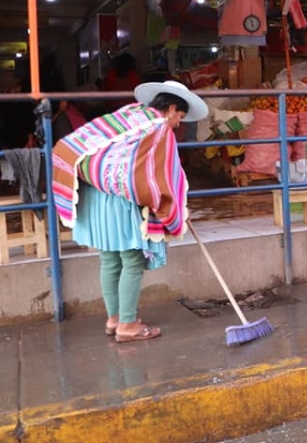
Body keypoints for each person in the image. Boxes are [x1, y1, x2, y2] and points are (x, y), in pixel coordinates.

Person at [52, 81, 208, 343]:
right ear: (171, 108)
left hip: (94, 197)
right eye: (180, 117)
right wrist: (175, 208)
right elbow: (158, 178)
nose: (177, 124)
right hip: (122, 203)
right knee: (132, 261)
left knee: (110, 260)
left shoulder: (130, 114)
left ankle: (114, 319)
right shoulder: (159, 129)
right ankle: (128, 324)